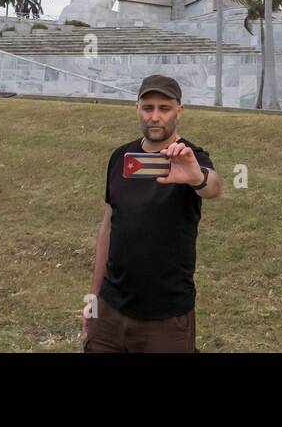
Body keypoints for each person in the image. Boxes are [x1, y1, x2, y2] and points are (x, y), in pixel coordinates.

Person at [84, 74, 222, 352]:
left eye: (164, 108)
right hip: (110, 310)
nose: (155, 117)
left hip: (165, 316)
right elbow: (108, 227)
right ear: (137, 109)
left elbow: (213, 186)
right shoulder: (120, 157)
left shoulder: (191, 158)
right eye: (148, 108)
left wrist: (196, 178)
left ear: (179, 111)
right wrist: (94, 297)